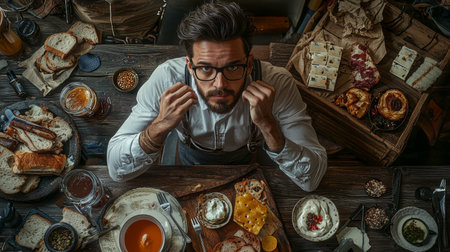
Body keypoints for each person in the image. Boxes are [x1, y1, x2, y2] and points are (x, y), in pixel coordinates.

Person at [107, 1, 327, 191]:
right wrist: (159, 126)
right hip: (184, 163)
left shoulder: (278, 82)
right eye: (205, 69)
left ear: (249, 64)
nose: (220, 85)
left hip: (248, 164)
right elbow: (116, 170)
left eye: (233, 68)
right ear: (190, 66)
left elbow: (312, 179)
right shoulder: (166, 79)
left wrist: (268, 125)